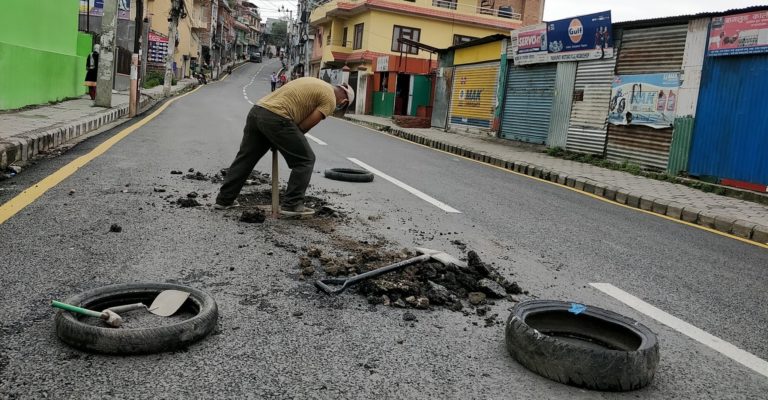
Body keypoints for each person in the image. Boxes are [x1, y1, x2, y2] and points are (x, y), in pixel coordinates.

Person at [215, 78, 355, 217]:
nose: (337, 108)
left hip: (257, 111)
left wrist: (278, 139)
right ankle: (292, 204)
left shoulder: (316, 82)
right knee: (305, 160)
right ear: (343, 102)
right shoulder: (330, 99)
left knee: (246, 158)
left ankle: (224, 200)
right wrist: (282, 141)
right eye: (341, 107)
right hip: (277, 117)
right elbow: (304, 126)